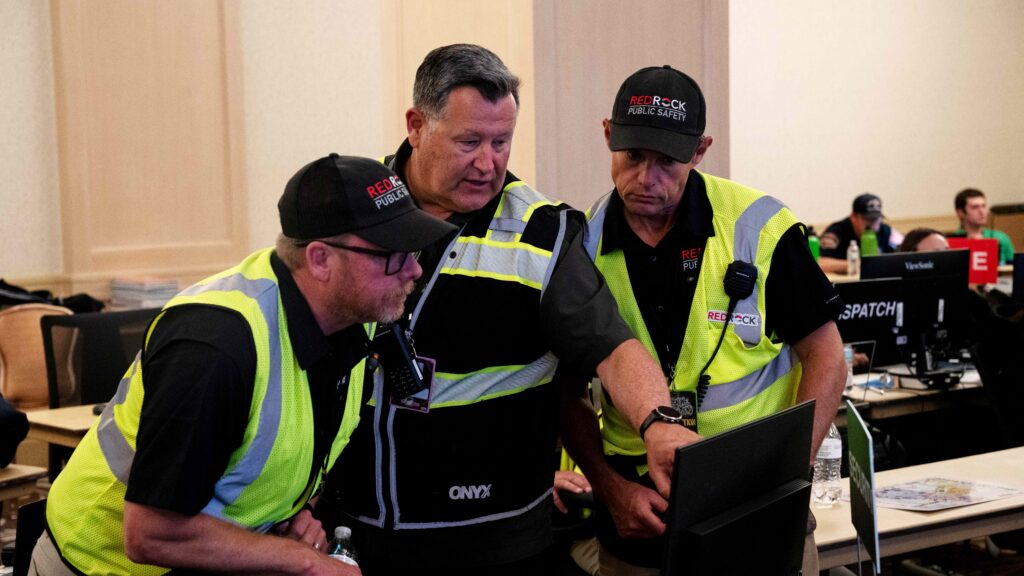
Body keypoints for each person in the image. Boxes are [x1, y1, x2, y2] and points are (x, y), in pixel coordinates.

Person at [315, 44, 693, 575]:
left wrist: (660, 423)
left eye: (502, 142)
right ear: (416, 125)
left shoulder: (544, 233)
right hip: (354, 529)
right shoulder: (354, 208)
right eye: (469, 141)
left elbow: (612, 346)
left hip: (495, 540)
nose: (487, 162)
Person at [33, 154, 455, 576]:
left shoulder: (356, 323)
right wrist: (303, 561)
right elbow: (150, 533)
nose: (414, 270)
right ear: (321, 259)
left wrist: (291, 514)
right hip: (96, 564)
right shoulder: (214, 348)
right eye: (393, 256)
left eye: (414, 250)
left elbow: (276, 458)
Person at [558, 65, 848, 575]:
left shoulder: (760, 227)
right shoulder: (579, 245)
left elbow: (826, 355)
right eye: (631, 157)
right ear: (608, 134)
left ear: (701, 149)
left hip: (759, 502)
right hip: (638, 514)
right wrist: (610, 488)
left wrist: (791, 470)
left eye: (667, 161)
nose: (646, 178)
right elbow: (565, 391)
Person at [818, 193, 899, 273]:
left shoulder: (886, 231)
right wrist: (859, 265)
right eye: (867, 219)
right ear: (853, 216)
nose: (873, 225)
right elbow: (820, 263)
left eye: (876, 219)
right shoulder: (835, 232)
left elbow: (903, 258)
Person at [954, 187, 1015, 264]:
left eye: (983, 206)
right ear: (961, 213)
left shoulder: (1001, 238)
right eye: (975, 207)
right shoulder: (952, 241)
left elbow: (1013, 268)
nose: (982, 212)